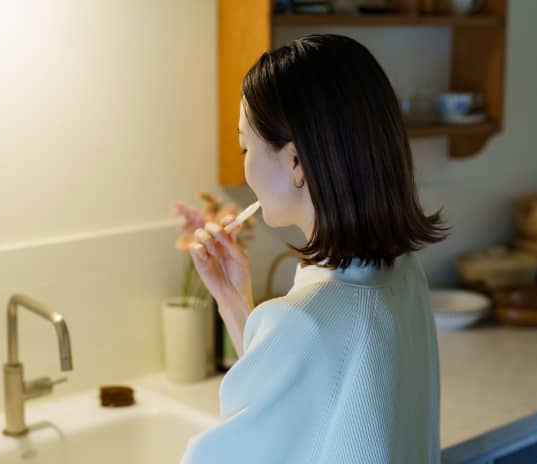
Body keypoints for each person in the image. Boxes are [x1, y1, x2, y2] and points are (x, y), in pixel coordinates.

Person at [181, 34, 448, 464]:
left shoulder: (307, 320)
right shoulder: (403, 273)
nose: (245, 165)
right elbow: (310, 402)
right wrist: (234, 303)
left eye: (246, 146)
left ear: (296, 162)